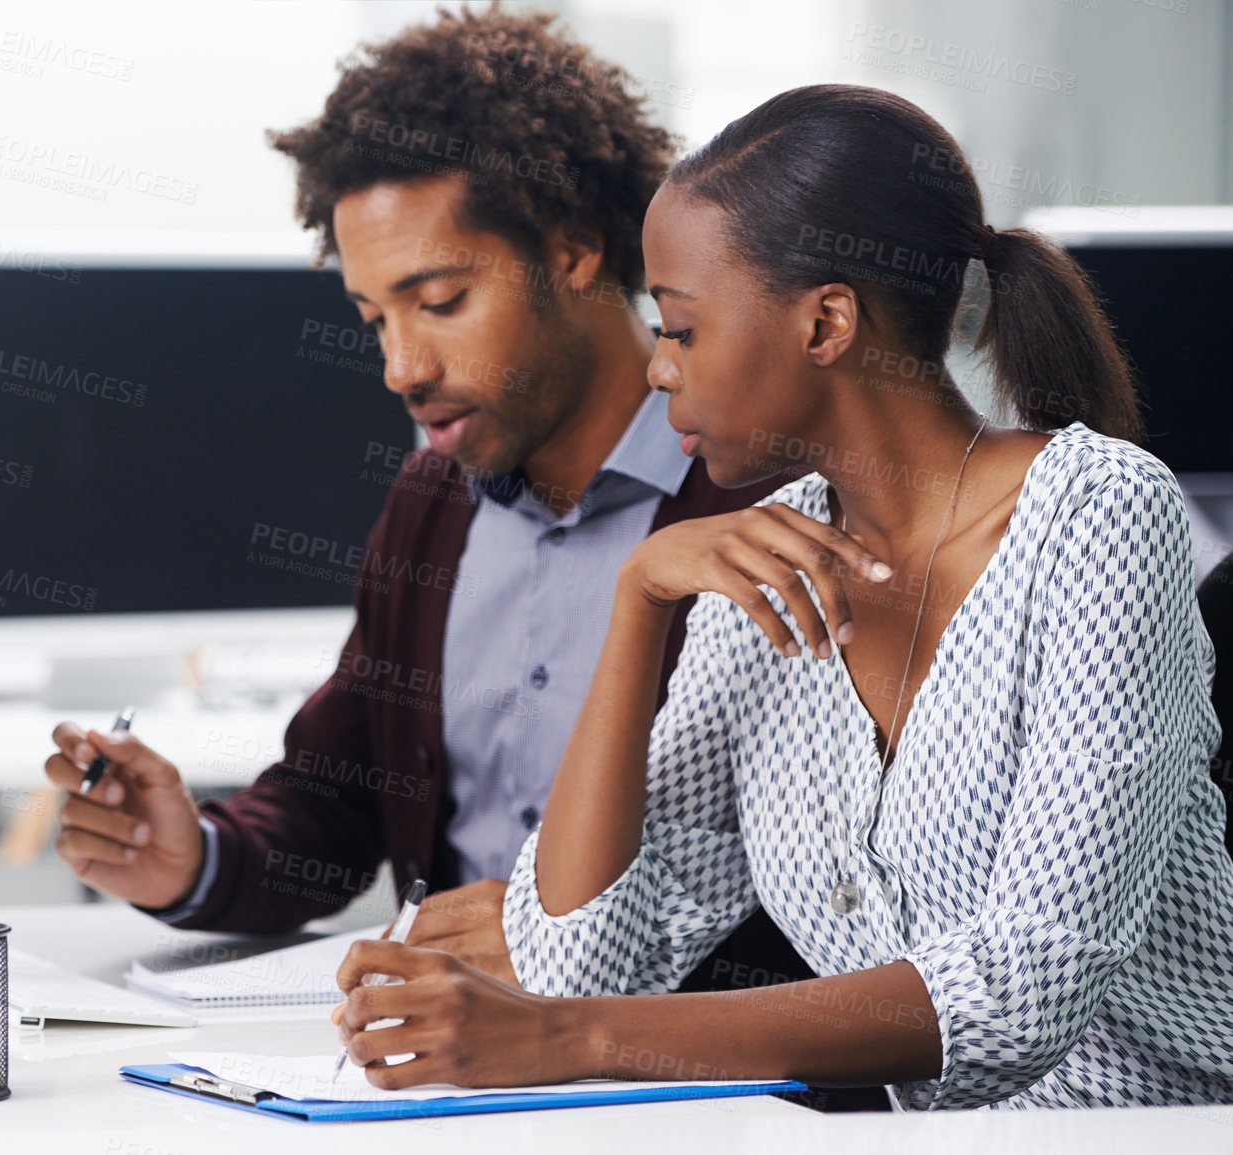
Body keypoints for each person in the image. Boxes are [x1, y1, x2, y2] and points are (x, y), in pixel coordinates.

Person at [330, 83, 1233, 1111]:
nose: (660, 370)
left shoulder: (1100, 515)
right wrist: (639, 602)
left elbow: (1017, 993)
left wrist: (562, 1038)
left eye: (680, 329)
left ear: (827, 322)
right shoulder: (763, 567)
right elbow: (583, 961)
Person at [40, 7, 803, 990]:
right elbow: (338, 798)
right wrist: (198, 858)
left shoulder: (767, 497)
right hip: (445, 1077)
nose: (401, 367)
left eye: (441, 302)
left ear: (573, 249)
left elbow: (830, 895)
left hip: (682, 1096)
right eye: (374, 319)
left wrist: (562, 940)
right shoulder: (431, 505)